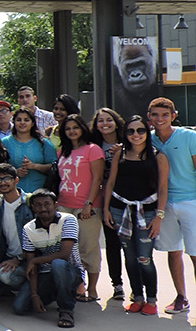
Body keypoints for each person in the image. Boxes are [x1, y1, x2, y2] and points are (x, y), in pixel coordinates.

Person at [104, 115, 169, 314]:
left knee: (144, 258)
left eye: (140, 130)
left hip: (147, 213)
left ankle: (151, 299)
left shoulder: (158, 156)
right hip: (120, 209)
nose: (136, 135)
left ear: (146, 132)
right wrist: (106, 209)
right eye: (131, 131)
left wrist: (159, 217)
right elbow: (111, 182)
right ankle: (137, 296)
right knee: (129, 257)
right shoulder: (120, 154)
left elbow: (163, 188)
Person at [146, 97, 196, 315]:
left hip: (191, 201)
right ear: (149, 117)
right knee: (173, 252)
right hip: (164, 205)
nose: (160, 119)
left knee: (194, 254)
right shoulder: (146, 139)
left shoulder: (189, 137)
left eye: (165, 115)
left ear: (174, 116)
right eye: (155, 115)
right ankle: (181, 297)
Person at [13, 188, 84, 328]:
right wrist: (34, 295)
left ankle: (66, 310)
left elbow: (65, 254)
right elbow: (31, 265)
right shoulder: (28, 229)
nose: (43, 208)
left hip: (70, 272)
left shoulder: (68, 220)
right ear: (33, 207)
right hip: (45, 274)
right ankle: (56, 293)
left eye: (47, 204)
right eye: (38, 205)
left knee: (58, 264)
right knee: (20, 307)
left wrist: (35, 260)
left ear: (55, 205)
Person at [55, 114, 104, 302]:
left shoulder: (93, 150)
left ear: (83, 128)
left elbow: (97, 179)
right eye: (68, 129)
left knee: (88, 248)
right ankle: (77, 287)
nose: (72, 131)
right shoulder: (62, 152)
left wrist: (88, 204)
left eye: (75, 127)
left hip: (86, 207)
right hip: (64, 206)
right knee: (67, 250)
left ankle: (92, 289)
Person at [91, 107, 128, 301]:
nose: (104, 124)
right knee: (112, 243)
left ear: (116, 121)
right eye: (100, 121)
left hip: (129, 196)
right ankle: (118, 284)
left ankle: (139, 288)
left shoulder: (129, 140)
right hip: (105, 198)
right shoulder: (93, 145)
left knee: (132, 246)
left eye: (108, 120)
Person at [0, 163, 34, 294]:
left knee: (5, 277)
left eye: (7, 178)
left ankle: (32, 288)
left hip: (30, 260)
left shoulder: (31, 202)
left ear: (16, 180)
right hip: (8, 259)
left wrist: (18, 259)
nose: (3, 183)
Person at [2, 109, 57, 193]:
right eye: (19, 120)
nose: (22, 123)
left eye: (26, 120)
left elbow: (54, 167)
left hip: (41, 192)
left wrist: (35, 166)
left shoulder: (44, 143)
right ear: (14, 122)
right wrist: (15, 172)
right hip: (13, 193)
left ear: (32, 123)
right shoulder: (5, 142)